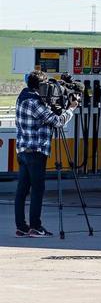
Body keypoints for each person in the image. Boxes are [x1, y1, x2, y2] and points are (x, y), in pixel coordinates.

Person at [14, 71, 78, 237]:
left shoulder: (22, 97)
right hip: (36, 151)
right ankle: (35, 226)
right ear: (40, 86)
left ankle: (21, 226)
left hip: (22, 150)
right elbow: (57, 121)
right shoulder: (35, 103)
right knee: (37, 190)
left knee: (22, 190)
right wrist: (71, 109)